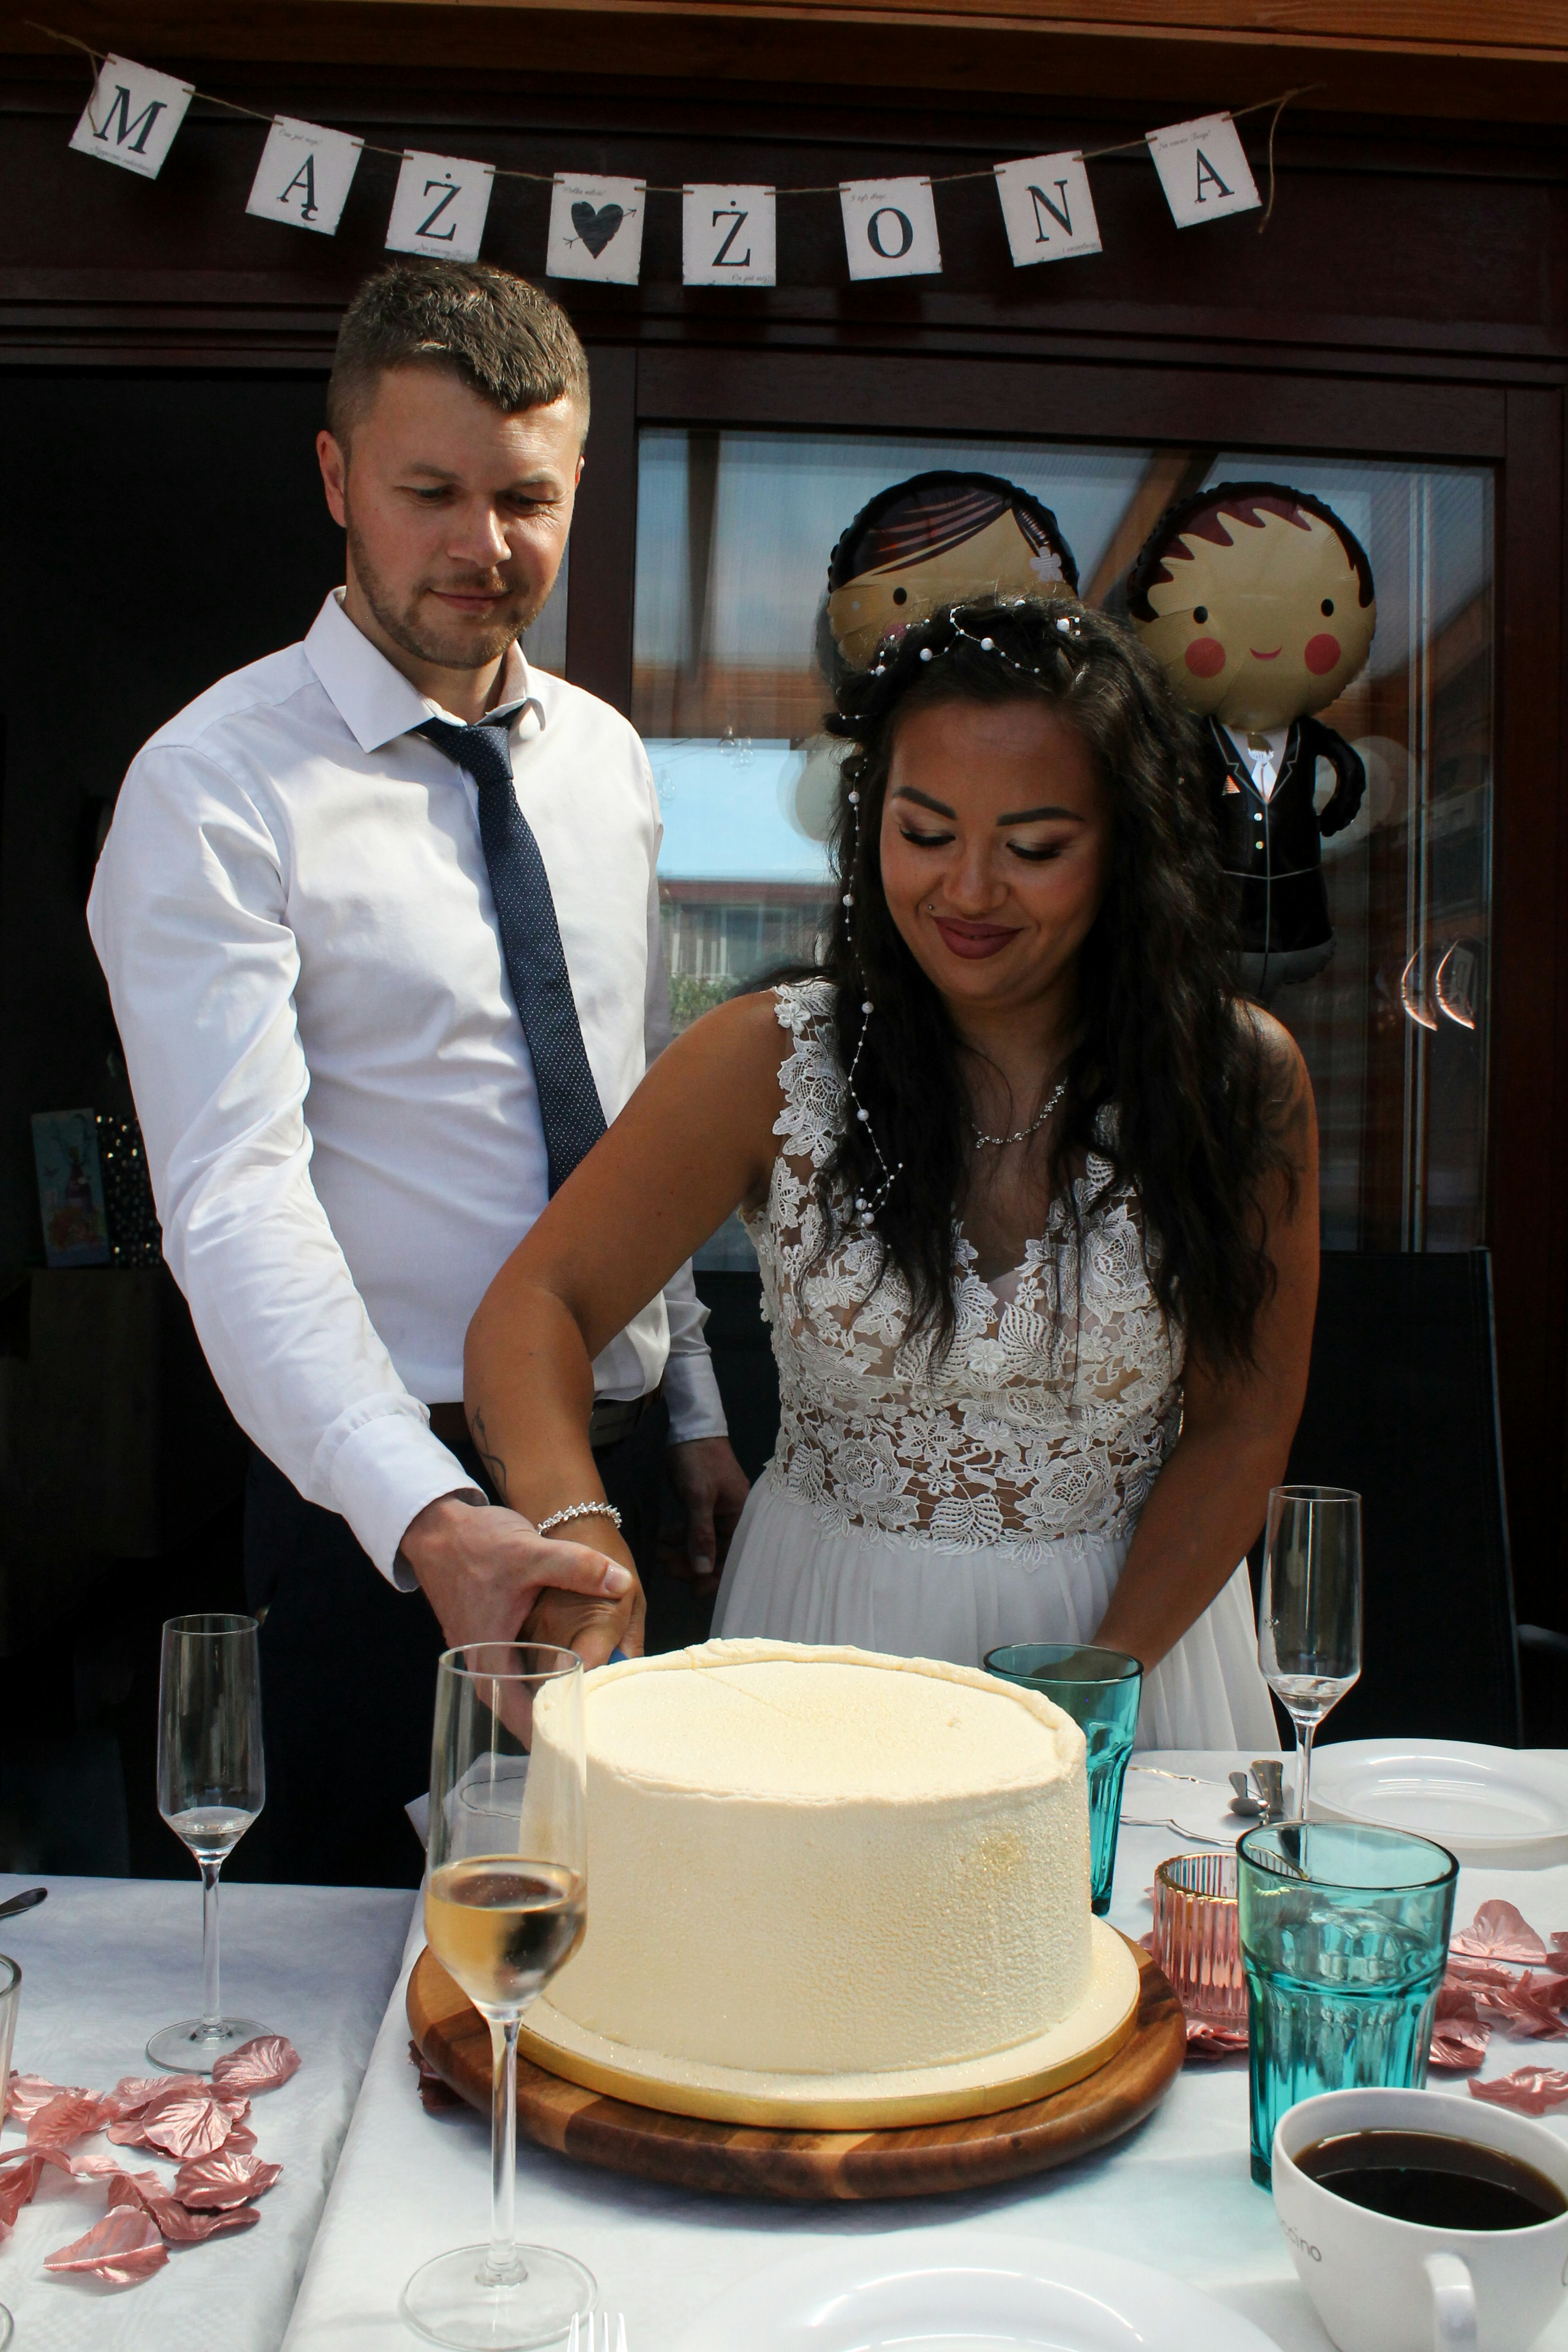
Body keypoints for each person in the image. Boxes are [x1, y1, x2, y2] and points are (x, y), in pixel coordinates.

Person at [88, 260, 750, 1884]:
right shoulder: (210, 787)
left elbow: (638, 1101)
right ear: (336, 478)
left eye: (525, 496)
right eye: (430, 491)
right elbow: (233, 1204)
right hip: (373, 1497)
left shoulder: (607, 760)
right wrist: (423, 1516)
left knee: (626, 1944)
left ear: (575, 482)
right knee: (375, 1983)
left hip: (621, 1461)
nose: (484, 546)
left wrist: (693, 1403)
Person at [465, 594, 1318, 1746]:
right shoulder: (770, 1056)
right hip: (828, 1643)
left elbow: (1240, 1426)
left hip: (1133, 1647)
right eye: (923, 834)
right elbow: (535, 1304)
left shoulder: (1236, 1079)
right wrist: (573, 1521)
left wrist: (1094, 1681)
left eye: (1032, 849)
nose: (966, 890)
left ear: (1127, 846)